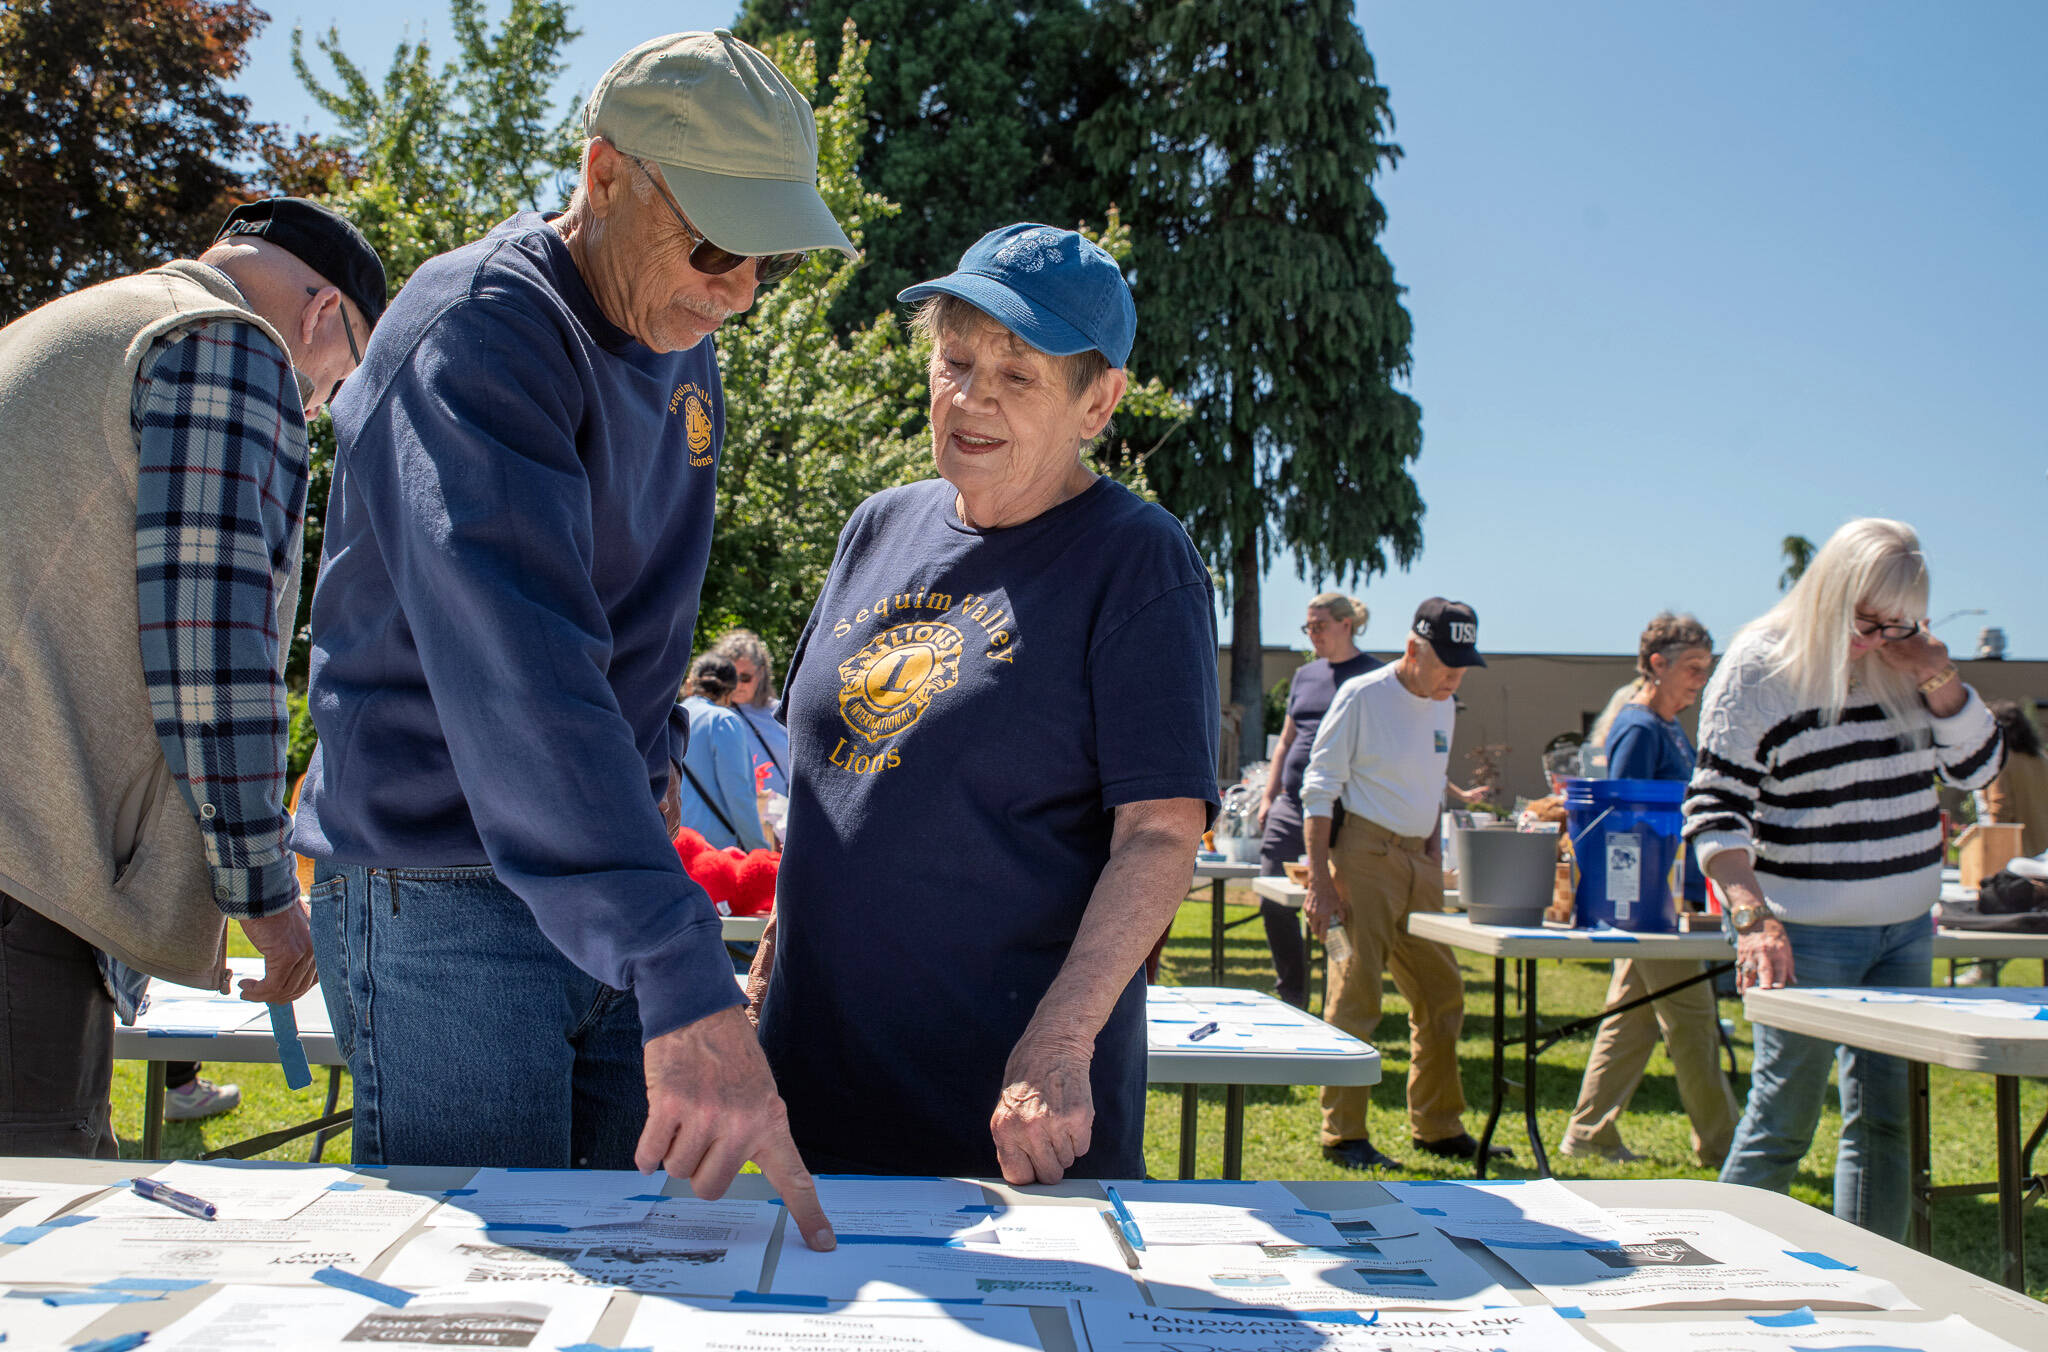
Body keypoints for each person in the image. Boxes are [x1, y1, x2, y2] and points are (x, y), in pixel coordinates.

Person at [291, 31, 851, 1248]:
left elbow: (640, 647)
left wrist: (648, 888)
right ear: (602, 175)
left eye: (766, 255)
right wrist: (675, 953)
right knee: (485, 1286)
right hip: (438, 878)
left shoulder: (679, 335)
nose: (740, 286)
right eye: (712, 242)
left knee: (624, 1260)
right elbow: (525, 680)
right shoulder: (479, 330)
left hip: (600, 873)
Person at [751, 223, 1218, 1182]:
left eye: (1019, 375)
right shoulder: (878, 525)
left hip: (1007, 1109)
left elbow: (1160, 835)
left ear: (1099, 401)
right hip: (818, 1083)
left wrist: (1060, 1042)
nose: (972, 398)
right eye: (956, 360)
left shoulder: (1137, 559)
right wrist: (767, 960)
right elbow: (830, 778)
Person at [0, 197, 383, 1157]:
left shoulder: (73, 326)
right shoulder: (227, 343)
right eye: (333, 383)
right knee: (37, 1250)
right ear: (321, 313)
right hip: (21, 878)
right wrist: (263, 890)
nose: (315, 410)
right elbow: (212, 640)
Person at [1686, 518, 2003, 1240]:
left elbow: (1979, 770)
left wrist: (1938, 673)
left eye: (1899, 624)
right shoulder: (1760, 665)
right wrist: (1753, 919)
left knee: (1888, 1123)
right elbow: (1715, 809)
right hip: (1804, 934)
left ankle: (1874, 1285)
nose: (1879, 639)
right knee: (1783, 1120)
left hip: (1904, 931)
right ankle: (1717, 1270)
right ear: (1831, 591)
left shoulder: (1909, 661)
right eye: (1867, 620)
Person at [1301, 598, 1500, 1169]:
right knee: (1357, 993)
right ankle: (1344, 1133)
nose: (1455, 678)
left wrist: (1434, 848)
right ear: (1413, 649)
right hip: (1363, 856)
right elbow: (1318, 790)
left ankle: (1437, 1126)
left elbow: (1432, 780)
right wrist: (1320, 880)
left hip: (1421, 863)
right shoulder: (1362, 696)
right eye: (1446, 664)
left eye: (1464, 665)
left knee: (1442, 993)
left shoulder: (1445, 703)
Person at [1560, 613, 1741, 1167]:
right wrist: (1640, 902)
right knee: (1691, 1022)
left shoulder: (1663, 725)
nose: (1699, 681)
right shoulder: (1638, 728)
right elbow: (1623, 819)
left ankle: (1589, 1132)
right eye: (1691, 668)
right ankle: (1727, 1146)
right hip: (1651, 902)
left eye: (1705, 670)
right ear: (1656, 664)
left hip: (1663, 899)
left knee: (1633, 1016)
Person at [1255, 595, 1381, 1008]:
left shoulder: (1374, 678)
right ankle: (1292, 993)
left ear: (1347, 624)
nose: (1313, 634)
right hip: (1291, 805)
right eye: (1307, 627)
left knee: (1337, 902)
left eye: (1320, 625)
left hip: (1342, 810)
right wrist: (1269, 796)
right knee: (1272, 897)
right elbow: (1287, 741)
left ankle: (1339, 992)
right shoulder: (1305, 675)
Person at [675, 654, 772, 851]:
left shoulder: (670, 716)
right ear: (730, 692)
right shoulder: (723, 721)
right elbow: (738, 792)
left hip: (673, 842)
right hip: (716, 850)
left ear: (690, 684)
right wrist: (758, 849)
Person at [710, 628, 790, 796]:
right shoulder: (712, 718)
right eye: (731, 676)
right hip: (739, 818)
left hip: (786, 816)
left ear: (760, 673)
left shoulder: (781, 713)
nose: (737, 685)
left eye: (745, 677)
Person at [1980, 701, 2048, 858]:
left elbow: (2000, 807)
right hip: (2043, 849)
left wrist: (1994, 851)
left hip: (2015, 852)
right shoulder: (2041, 759)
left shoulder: (2002, 760)